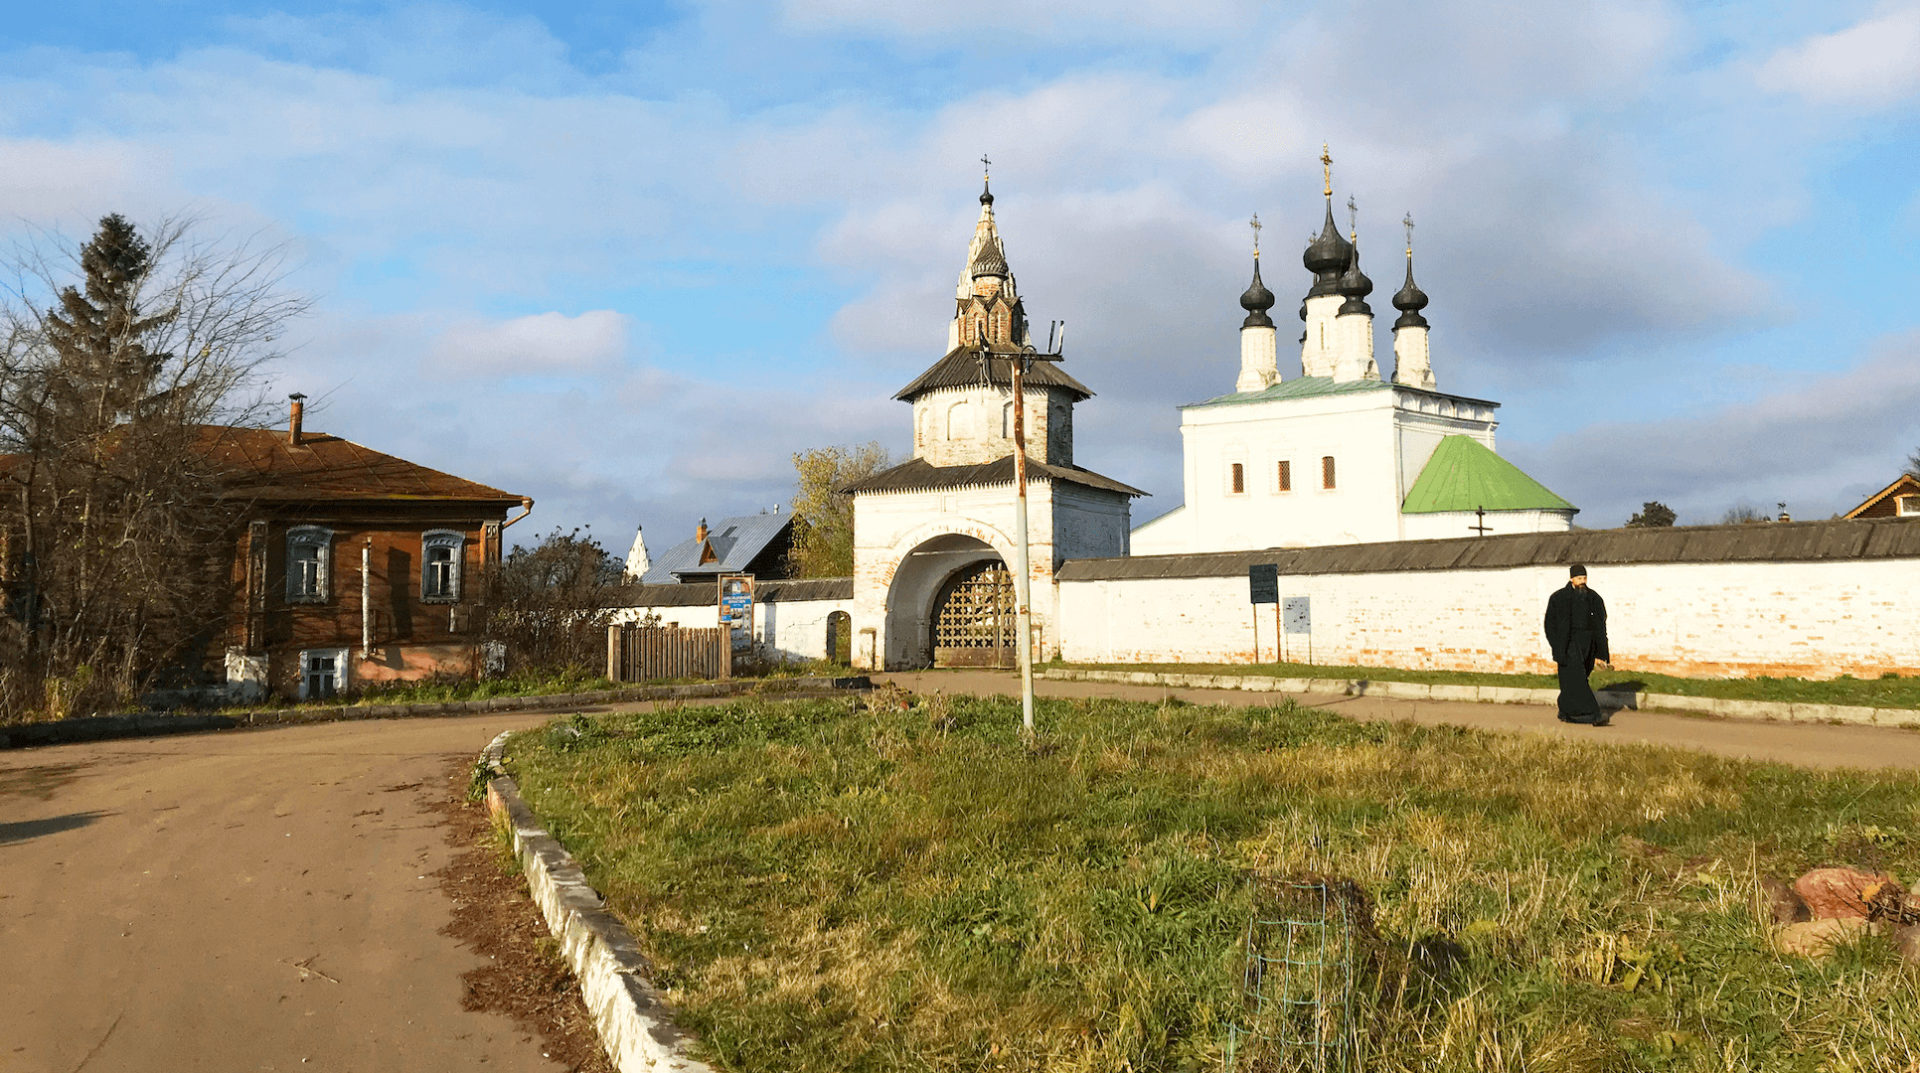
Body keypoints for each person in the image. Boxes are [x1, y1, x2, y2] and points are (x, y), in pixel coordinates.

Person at [1543, 564, 1611, 725]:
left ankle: (1566, 711)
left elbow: (1601, 624)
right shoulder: (1558, 598)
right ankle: (1594, 714)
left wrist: (1602, 652)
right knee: (1577, 677)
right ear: (1571, 579)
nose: (1582, 581)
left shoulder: (1594, 598)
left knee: (1574, 679)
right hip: (1568, 643)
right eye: (1579, 578)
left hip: (1588, 643)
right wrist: (1557, 645)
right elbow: (1549, 624)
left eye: (1584, 578)